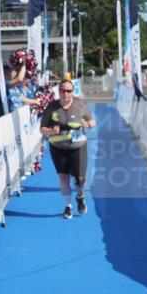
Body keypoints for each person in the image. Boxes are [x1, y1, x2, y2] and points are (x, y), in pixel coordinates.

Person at [40, 79, 96, 219]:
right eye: (63, 91)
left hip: (78, 146)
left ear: (73, 92)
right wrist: (52, 131)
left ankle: (80, 195)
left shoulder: (80, 104)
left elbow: (92, 122)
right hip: (58, 147)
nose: (66, 94)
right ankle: (68, 207)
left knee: (80, 178)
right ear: (58, 91)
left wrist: (87, 125)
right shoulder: (52, 107)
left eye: (69, 91)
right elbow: (42, 129)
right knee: (63, 177)